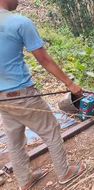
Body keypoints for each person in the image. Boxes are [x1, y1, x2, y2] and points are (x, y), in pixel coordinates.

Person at [0, 0, 86, 189]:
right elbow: (44, 59)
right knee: (51, 129)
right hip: (22, 93)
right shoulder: (20, 22)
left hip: (2, 99)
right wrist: (70, 83)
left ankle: (25, 181)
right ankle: (65, 173)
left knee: (14, 140)